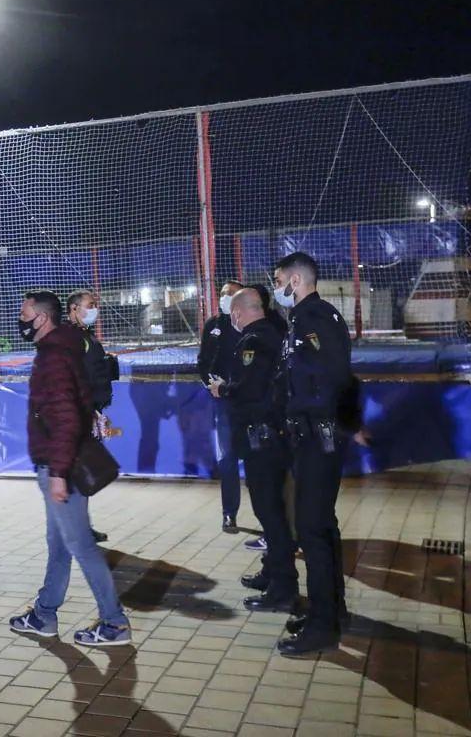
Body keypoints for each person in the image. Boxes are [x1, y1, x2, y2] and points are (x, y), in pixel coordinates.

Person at [9, 290, 132, 647]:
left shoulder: (54, 357)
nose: (20, 319)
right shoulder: (64, 348)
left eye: (24, 312)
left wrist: (59, 473)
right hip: (55, 462)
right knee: (60, 543)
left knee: (80, 545)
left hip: (59, 465)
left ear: (42, 318)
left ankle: (115, 622)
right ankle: (45, 613)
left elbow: (64, 418)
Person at [271, 252, 353, 656]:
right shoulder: (312, 317)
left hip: (318, 437)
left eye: (279, 280)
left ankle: (323, 625)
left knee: (311, 530)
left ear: (296, 280)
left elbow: (331, 375)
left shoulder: (312, 318)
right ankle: (333, 610)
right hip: (321, 435)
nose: (277, 288)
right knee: (322, 525)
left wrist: (313, 418)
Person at [208, 289, 298, 612]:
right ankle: (273, 572)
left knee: (269, 513)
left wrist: (222, 388)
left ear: (237, 314)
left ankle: (283, 587)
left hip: (262, 439)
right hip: (273, 436)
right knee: (271, 511)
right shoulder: (275, 334)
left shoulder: (253, 341)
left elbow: (249, 387)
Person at [66, 289, 118, 544]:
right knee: (78, 472)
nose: (95, 308)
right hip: (80, 414)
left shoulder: (85, 335)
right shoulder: (71, 338)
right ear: (74, 309)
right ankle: (75, 529)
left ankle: (82, 526)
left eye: (96, 304)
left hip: (91, 411)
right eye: (90, 305)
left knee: (84, 472)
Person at [243, 283, 292, 553]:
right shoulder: (278, 328)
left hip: (266, 428)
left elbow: (253, 385)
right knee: (272, 496)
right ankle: (275, 564)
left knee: (268, 498)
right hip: (276, 426)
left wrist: (226, 388)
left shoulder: (263, 335)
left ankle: (280, 573)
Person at [197, 279, 245, 534]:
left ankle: (271, 520)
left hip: (250, 401)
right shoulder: (213, 325)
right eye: (223, 293)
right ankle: (230, 514)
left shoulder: (251, 325)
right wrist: (211, 384)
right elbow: (203, 361)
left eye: (232, 293)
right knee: (227, 459)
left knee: (259, 458)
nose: (226, 297)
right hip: (223, 402)